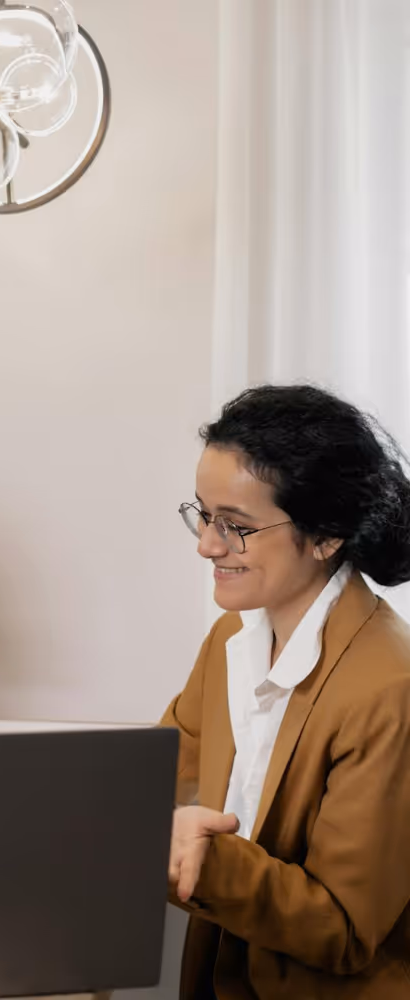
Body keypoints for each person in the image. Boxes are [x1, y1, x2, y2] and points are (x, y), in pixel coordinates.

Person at [162, 384, 410, 998]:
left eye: (235, 527)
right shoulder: (229, 642)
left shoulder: (391, 688)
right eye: (203, 514)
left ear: (327, 535)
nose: (207, 545)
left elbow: (346, 930)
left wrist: (206, 861)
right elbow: (157, 779)